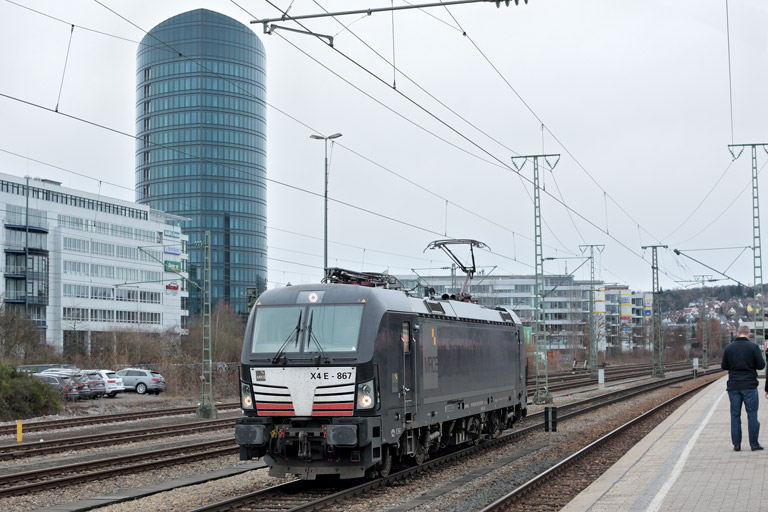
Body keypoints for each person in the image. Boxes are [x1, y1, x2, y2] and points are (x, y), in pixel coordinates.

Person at [722, 324, 766, 451]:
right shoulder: (753, 347)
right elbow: (761, 365)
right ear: (749, 334)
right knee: (752, 415)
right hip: (749, 386)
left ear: (737, 333)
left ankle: (736, 444)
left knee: (735, 415)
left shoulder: (729, 348)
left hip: (734, 386)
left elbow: (724, 366)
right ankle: (754, 444)